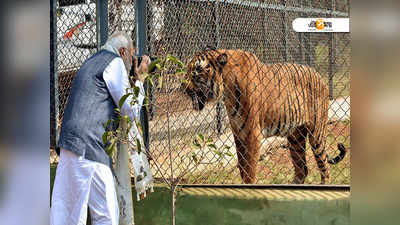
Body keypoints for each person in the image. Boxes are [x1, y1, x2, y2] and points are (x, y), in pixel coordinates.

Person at [50, 31, 151, 225]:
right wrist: (140, 80)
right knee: (104, 216)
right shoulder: (114, 63)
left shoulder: (91, 61)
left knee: (68, 215)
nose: (132, 61)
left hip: (71, 145)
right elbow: (130, 109)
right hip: (90, 147)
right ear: (122, 52)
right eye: (131, 54)